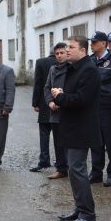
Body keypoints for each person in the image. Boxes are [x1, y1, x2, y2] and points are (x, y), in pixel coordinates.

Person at [52, 36, 101, 221]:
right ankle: (80, 208)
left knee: (78, 170)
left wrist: (60, 96)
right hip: (71, 127)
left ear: (83, 50)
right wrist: (61, 94)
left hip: (81, 128)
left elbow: (81, 100)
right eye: (67, 47)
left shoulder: (88, 70)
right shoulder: (74, 68)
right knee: (73, 171)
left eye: (72, 47)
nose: (67, 50)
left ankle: (88, 214)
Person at [89, 31, 111, 187]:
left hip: (108, 106)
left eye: (94, 42)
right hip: (92, 107)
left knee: (110, 141)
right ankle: (96, 172)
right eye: (91, 42)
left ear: (103, 43)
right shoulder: (89, 61)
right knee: (95, 141)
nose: (91, 44)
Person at [44, 43, 70, 179]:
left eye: (62, 53)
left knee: (70, 141)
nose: (59, 56)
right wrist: (50, 102)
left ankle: (72, 167)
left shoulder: (72, 68)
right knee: (58, 141)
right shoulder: (52, 69)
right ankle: (61, 169)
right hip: (54, 111)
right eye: (57, 53)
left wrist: (63, 98)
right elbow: (47, 87)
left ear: (67, 53)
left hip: (68, 110)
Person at [29, 48, 57, 172]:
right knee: (59, 135)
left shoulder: (41, 62)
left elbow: (38, 83)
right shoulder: (64, 62)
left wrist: (35, 103)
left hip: (44, 103)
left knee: (44, 134)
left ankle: (44, 161)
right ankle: (61, 161)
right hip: (59, 103)